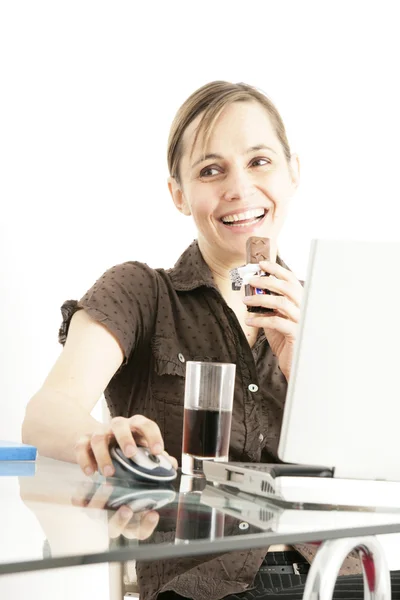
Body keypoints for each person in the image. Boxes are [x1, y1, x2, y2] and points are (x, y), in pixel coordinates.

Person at [21, 81, 400, 600]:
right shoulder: (141, 293)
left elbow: (377, 471)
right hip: (210, 586)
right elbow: (46, 413)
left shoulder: (328, 310)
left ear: (293, 172)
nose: (239, 188)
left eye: (260, 161)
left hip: (348, 574)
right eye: (210, 169)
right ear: (179, 193)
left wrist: (307, 372)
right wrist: (109, 441)